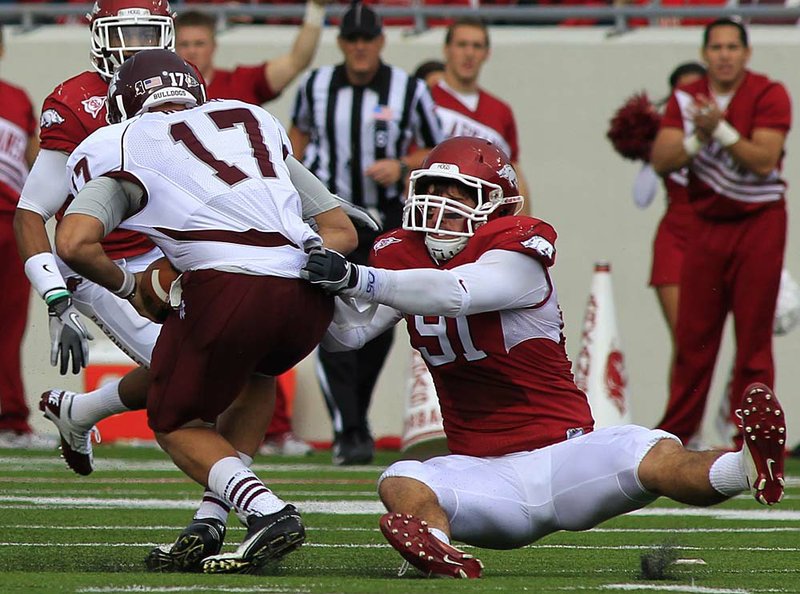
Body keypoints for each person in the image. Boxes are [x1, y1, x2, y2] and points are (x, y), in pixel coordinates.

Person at [300, 136, 788, 578]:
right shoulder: (402, 256)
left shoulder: (516, 254)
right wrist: (308, 271)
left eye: (460, 194)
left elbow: (455, 293)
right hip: (483, 474)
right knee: (401, 479)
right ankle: (441, 551)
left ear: (496, 205)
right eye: (435, 187)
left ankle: (745, 467)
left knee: (654, 455)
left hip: (566, 456)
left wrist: (358, 277)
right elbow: (347, 334)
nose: (441, 204)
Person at [16, 0, 354, 572]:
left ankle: (245, 510)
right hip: (258, 277)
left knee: (189, 390)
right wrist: (61, 292)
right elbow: (345, 225)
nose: (135, 43)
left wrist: (133, 282)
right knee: (232, 371)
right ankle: (212, 515)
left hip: (193, 263)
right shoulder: (247, 118)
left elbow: (74, 234)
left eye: (148, 32)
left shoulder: (123, 138)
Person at [174, 2, 332, 456]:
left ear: (214, 47)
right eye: (184, 44)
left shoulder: (236, 85)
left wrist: (315, 14)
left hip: (250, 226)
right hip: (191, 231)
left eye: (199, 43)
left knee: (261, 325)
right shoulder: (157, 102)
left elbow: (295, 63)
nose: (192, 52)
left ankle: (271, 428)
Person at [288, 2, 443, 465]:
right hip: (331, 220)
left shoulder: (409, 90)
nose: (359, 47)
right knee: (326, 313)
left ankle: (355, 421)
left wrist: (401, 165)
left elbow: (433, 149)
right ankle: (351, 429)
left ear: (380, 41)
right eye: (351, 39)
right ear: (342, 43)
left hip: (386, 219)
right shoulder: (315, 86)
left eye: (367, 39)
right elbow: (293, 146)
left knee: (380, 321)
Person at [650, 18, 791, 447]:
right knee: (694, 337)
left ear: (747, 54)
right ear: (705, 53)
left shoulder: (770, 93)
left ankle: (753, 435)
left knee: (753, 337)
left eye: (733, 47)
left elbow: (764, 160)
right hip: (707, 224)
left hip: (759, 222)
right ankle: (677, 432)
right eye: (717, 47)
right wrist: (699, 138)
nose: (725, 55)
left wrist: (720, 130)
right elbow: (662, 158)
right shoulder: (686, 98)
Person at [0, 28, 50, 448]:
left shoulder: (16, 97)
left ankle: (11, 419)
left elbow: (34, 156)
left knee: (10, 324)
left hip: (8, 223)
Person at [431, 17, 528, 204]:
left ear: (487, 53)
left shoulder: (501, 110)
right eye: (462, 45)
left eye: (477, 46)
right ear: (446, 49)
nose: (469, 53)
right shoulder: (426, 101)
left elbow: (513, 172)